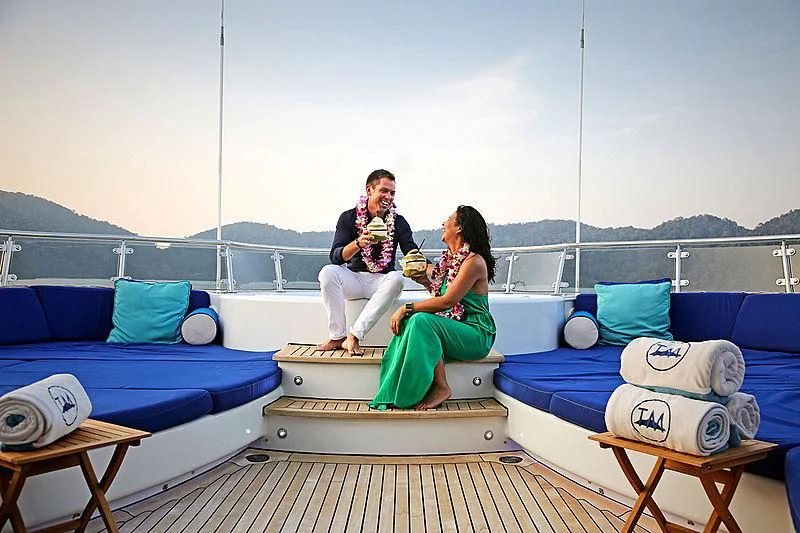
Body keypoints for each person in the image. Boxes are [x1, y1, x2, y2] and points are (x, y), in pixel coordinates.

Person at [369, 205, 497, 410]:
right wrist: (426, 283)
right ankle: (392, 390)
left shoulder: (473, 262)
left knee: (420, 319)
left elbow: (448, 302)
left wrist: (406, 307)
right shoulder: (451, 261)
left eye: (448, 220)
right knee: (412, 322)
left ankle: (441, 387)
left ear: (459, 228)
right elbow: (446, 299)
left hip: (476, 333)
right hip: (456, 327)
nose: (443, 223)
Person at [317, 169, 421, 355]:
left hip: (381, 281)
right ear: (369, 190)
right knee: (328, 272)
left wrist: (433, 269)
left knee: (397, 278)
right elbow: (336, 256)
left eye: (392, 193)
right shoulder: (349, 217)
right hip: (354, 279)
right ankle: (337, 336)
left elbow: (411, 252)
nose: (389, 197)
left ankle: (354, 336)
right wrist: (358, 243)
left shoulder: (398, 222)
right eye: (384, 191)